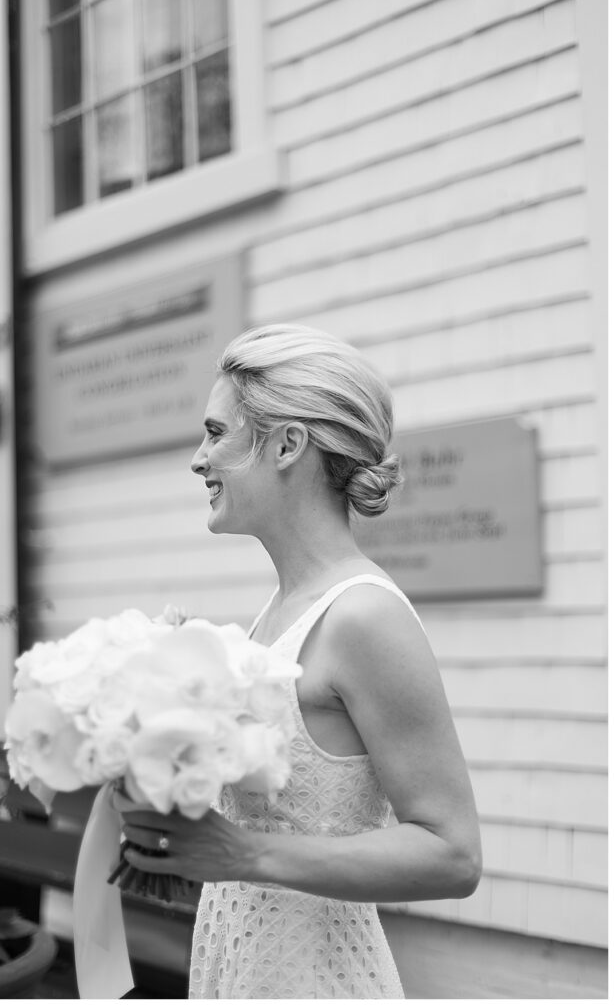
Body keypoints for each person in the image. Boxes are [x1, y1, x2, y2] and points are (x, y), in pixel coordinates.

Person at [113, 323, 482, 999]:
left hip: (317, 977)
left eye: (216, 433)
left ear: (286, 444)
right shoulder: (276, 612)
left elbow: (452, 854)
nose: (199, 459)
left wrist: (242, 854)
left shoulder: (365, 617)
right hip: (237, 962)